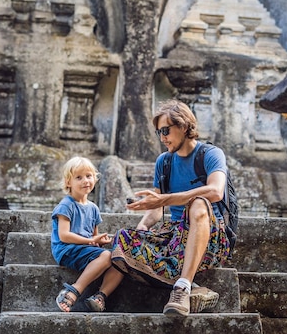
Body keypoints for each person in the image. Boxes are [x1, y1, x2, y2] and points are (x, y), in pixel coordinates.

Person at [111, 99, 230, 317]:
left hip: (210, 237)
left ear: (184, 126)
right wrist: (143, 225)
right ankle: (196, 289)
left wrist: (165, 199)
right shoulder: (163, 162)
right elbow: (157, 209)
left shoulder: (211, 154)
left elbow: (215, 191)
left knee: (198, 203)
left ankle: (182, 288)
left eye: (166, 130)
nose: (162, 137)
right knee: (123, 240)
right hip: (174, 236)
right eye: (158, 132)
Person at [51, 156, 123, 312]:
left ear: (95, 179)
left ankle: (100, 297)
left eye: (89, 176)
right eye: (79, 177)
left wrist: (99, 241)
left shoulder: (93, 208)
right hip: (67, 250)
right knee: (105, 256)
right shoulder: (66, 205)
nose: (86, 181)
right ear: (68, 182)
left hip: (84, 249)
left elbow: (93, 239)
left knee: (120, 260)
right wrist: (90, 240)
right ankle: (73, 291)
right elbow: (64, 235)